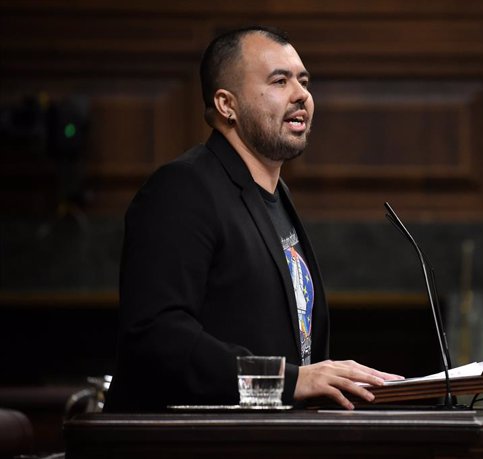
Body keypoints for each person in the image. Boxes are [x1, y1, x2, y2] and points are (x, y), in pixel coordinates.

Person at [104, 26, 401, 412]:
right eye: (280, 81)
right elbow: (156, 339)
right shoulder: (182, 189)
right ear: (227, 105)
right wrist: (288, 382)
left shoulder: (276, 197)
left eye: (303, 80)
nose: (301, 95)